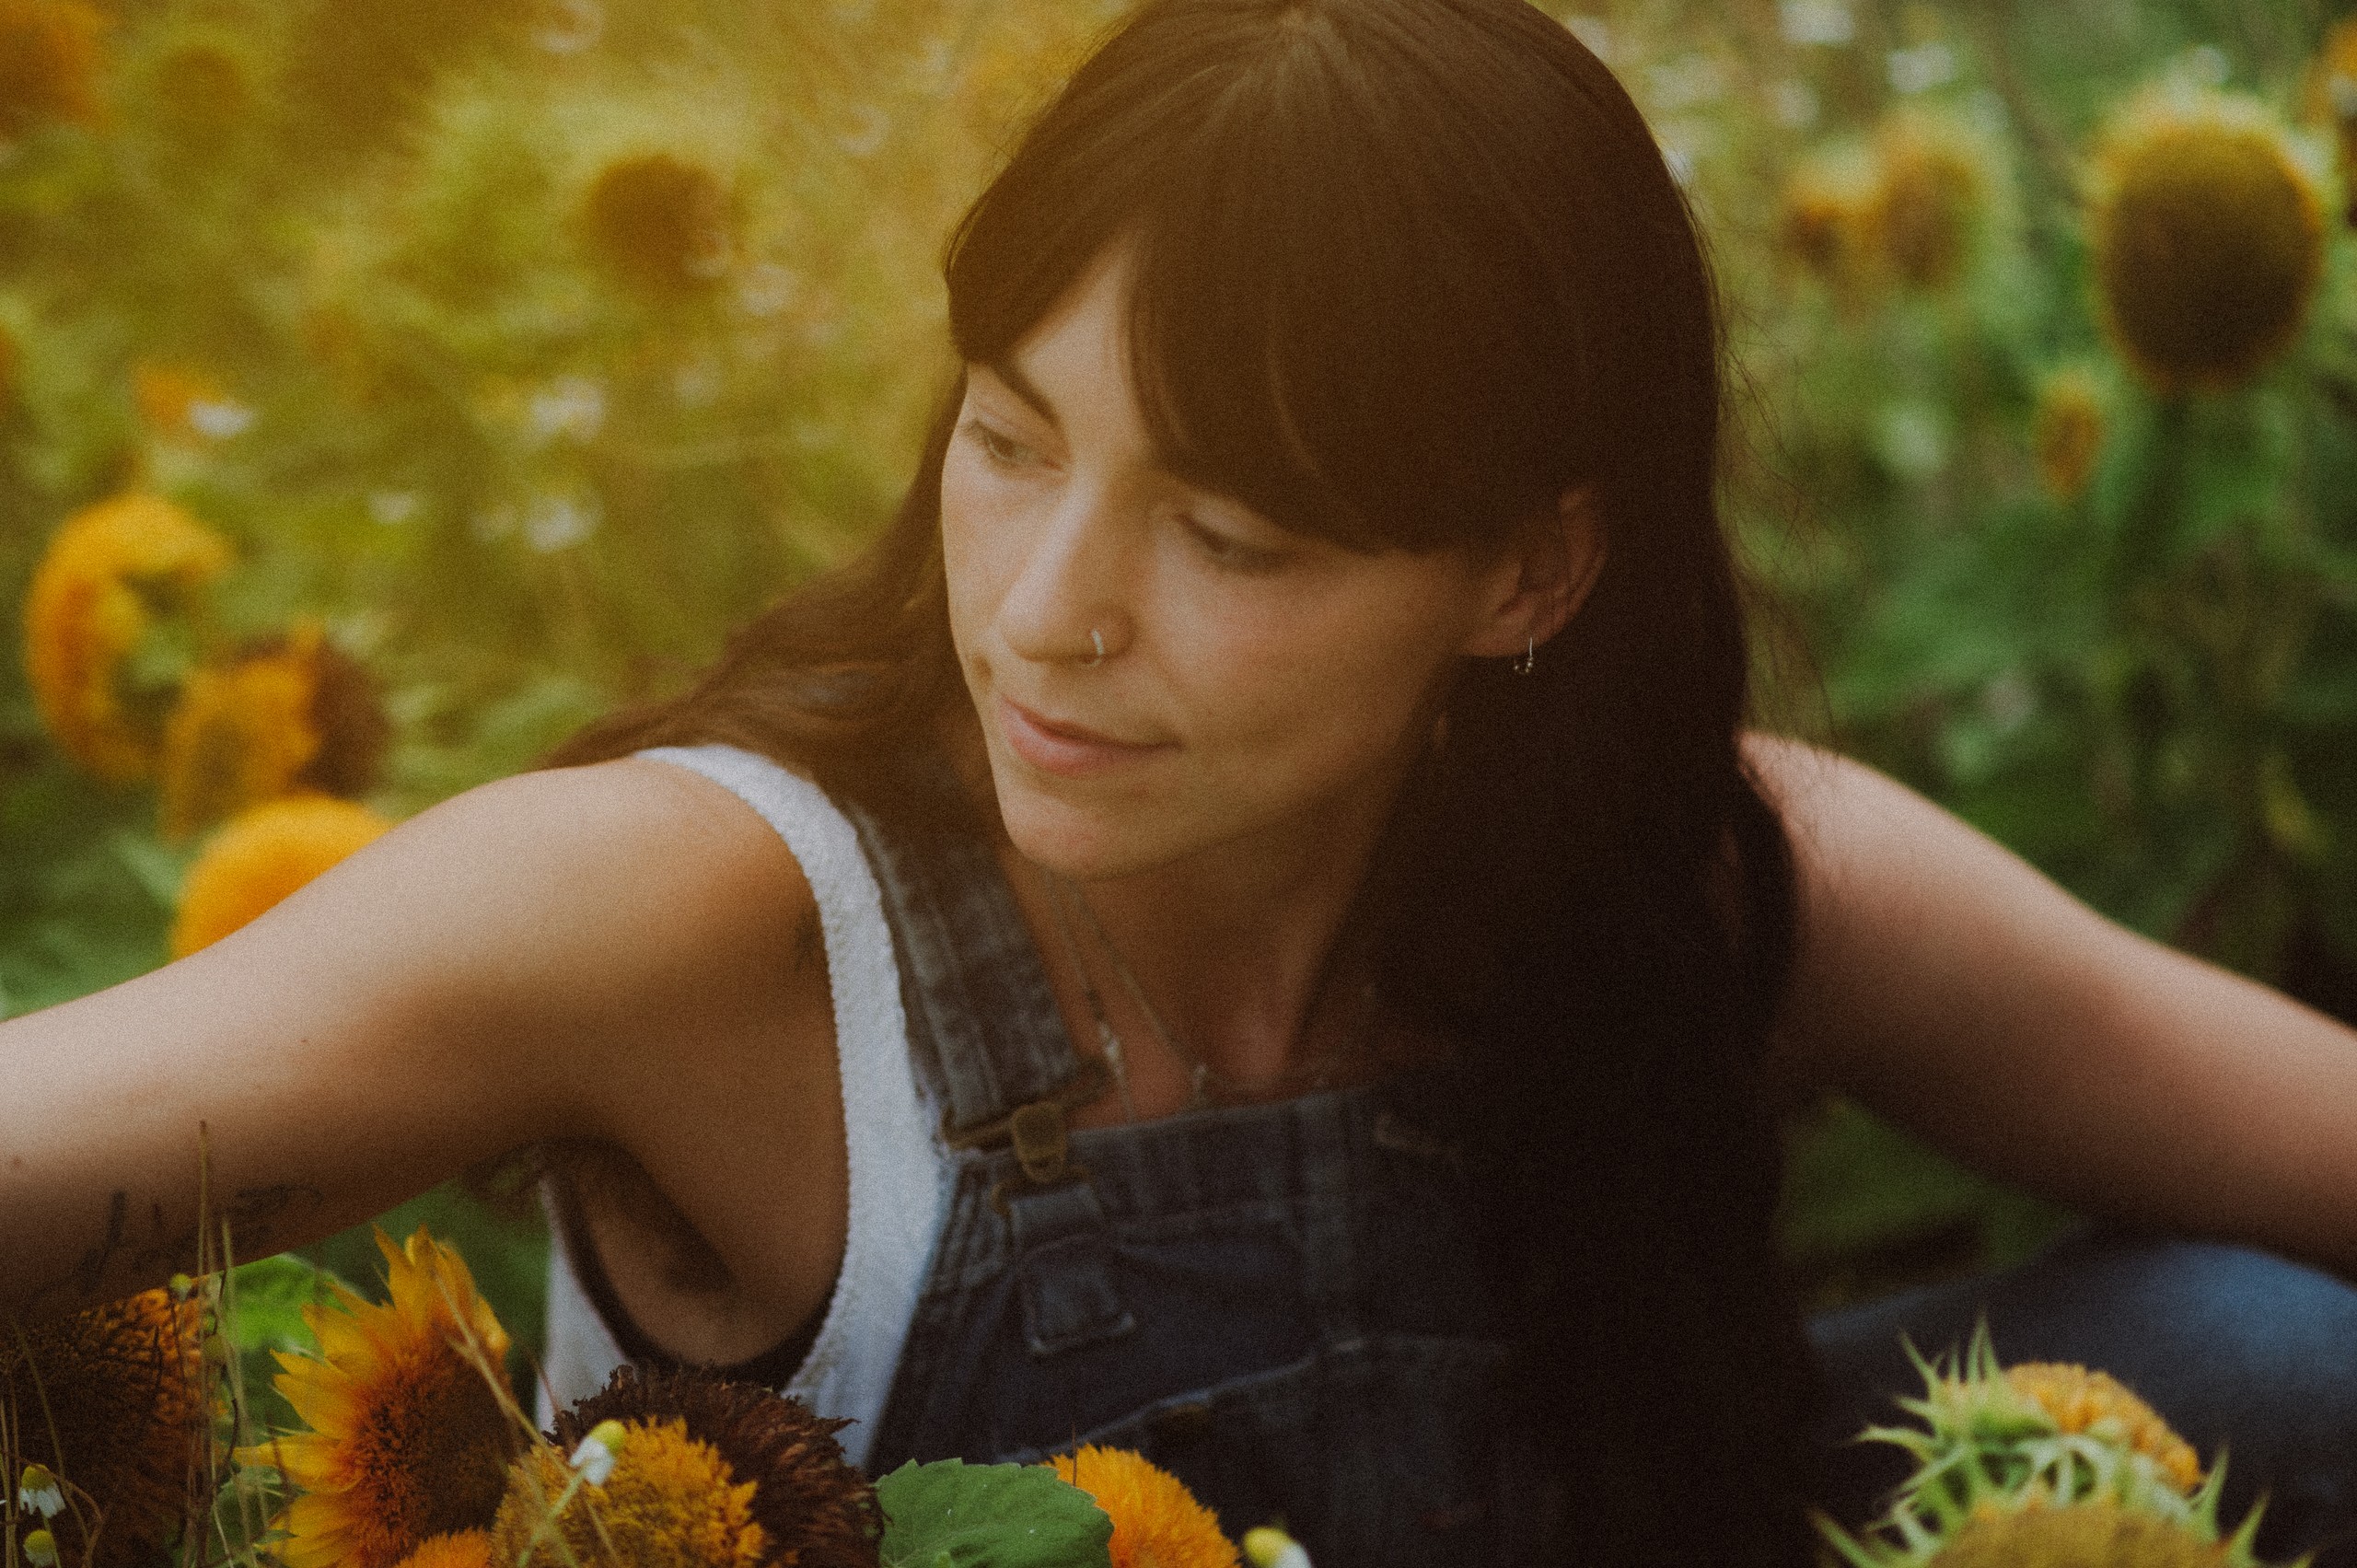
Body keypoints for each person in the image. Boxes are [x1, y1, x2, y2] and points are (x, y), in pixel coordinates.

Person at [8, 0, 2357, 1562]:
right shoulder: (704, 918)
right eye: (1006, 438)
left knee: (2266, 1360)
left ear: (1525, 569)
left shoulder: (1687, 877)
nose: (1045, 609)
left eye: (1227, 536)